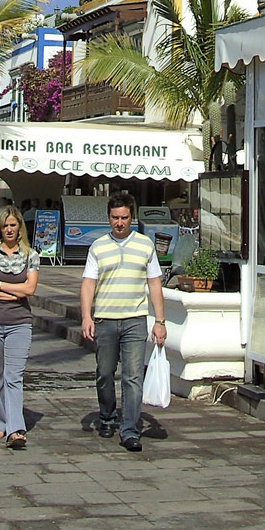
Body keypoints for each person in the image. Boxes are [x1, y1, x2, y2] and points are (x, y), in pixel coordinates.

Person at [80, 190, 167, 452]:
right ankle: (107, 416)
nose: (119, 223)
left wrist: (160, 321)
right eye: (115, 218)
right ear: (109, 218)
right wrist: (86, 316)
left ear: (132, 218)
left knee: (133, 377)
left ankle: (129, 430)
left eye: (124, 218)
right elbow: (88, 284)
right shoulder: (98, 247)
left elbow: (154, 283)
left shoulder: (145, 245)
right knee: (104, 373)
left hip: (134, 320)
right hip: (105, 319)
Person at [0, 205, 40, 446]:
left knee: (14, 376)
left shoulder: (30, 255)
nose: (9, 229)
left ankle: (15, 429)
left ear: (20, 227)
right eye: (5, 226)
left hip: (19, 323)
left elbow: (30, 289)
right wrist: (13, 293)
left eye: (13, 225)